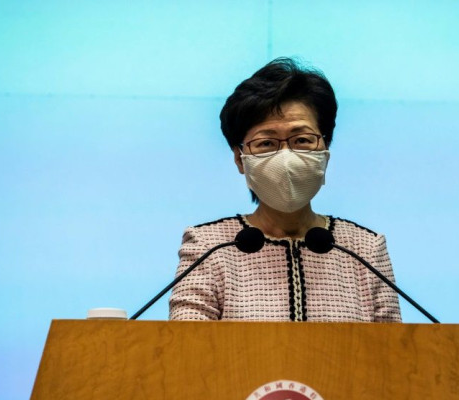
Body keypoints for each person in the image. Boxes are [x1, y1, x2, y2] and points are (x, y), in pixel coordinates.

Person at [169, 58, 401, 323]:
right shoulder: (210, 247)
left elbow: (393, 356)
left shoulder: (365, 250)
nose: (286, 157)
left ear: (325, 151)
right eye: (266, 143)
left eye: (302, 140)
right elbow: (186, 351)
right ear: (239, 159)